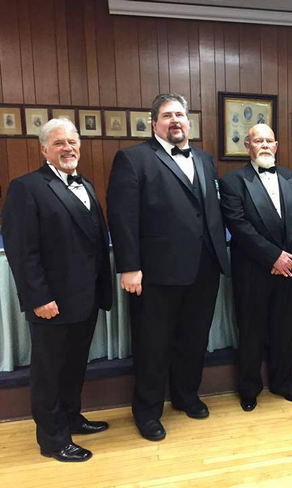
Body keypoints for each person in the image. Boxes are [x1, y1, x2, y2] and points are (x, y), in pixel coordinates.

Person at [107, 93, 230, 440]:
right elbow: (122, 217)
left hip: (204, 269)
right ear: (154, 123)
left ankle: (186, 395)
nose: (175, 120)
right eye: (167, 115)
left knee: (193, 340)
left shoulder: (205, 159)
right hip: (156, 273)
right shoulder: (133, 159)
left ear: (188, 122)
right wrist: (129, 267)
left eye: (180, 114)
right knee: (153, 344)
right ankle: (146, 412)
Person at [2, 118, 113, 462]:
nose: (68, 148)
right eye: (60, 143)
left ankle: (70, 418)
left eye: (73, 142)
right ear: (44, 149)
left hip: (86, 299)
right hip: (52, 301)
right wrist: (38, 298)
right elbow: (23, 251)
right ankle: (52, 440)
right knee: (49, 372)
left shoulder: (88, 185)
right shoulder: (27, 187)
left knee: (74, 366)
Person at [219, 124, 292, 411]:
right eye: (257, 140)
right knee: (251, 332)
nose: (264, 145)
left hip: (290, 270)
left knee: (286, 329)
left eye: (269, 140)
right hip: (252, 271)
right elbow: (238, 225)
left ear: (277, 145)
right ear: (247, 146)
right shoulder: (232, 181)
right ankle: (249, 388)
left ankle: (284, 383)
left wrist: (289, 258)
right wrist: (273, 257)